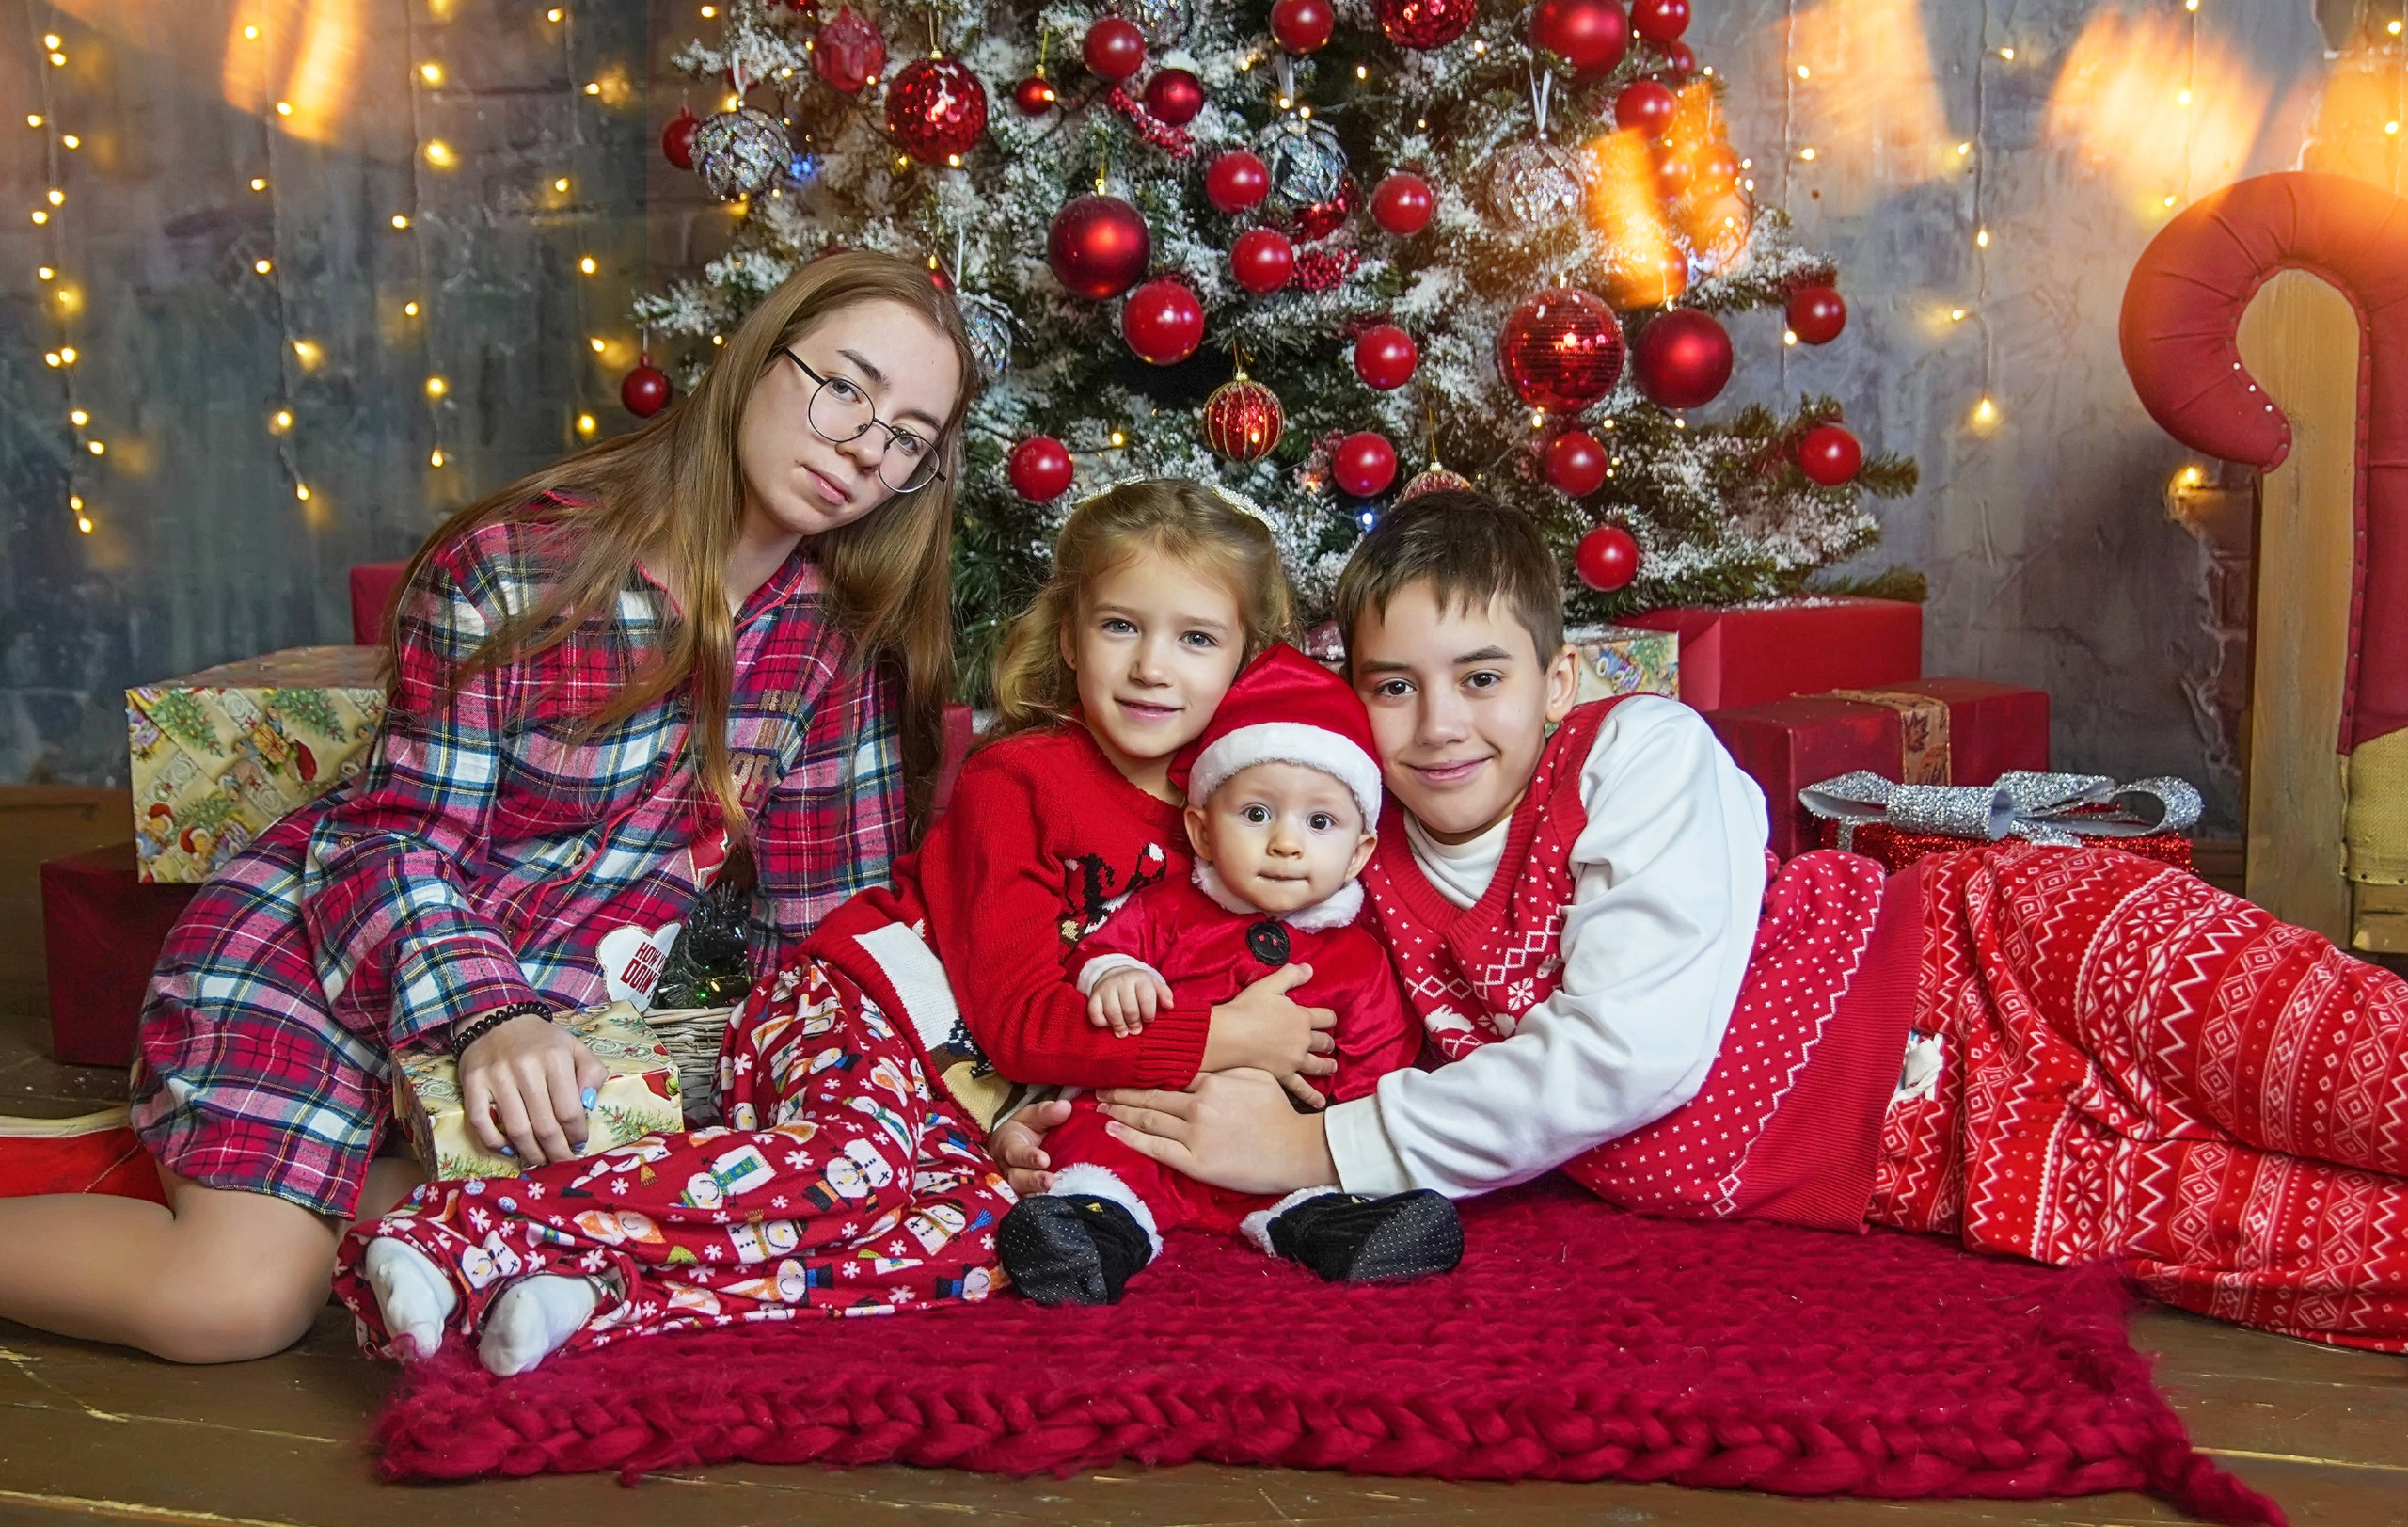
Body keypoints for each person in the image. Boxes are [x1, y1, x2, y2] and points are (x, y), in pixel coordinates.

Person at [1045, 488, 2408, 1354]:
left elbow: (1637, 1047)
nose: (1442, 723)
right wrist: (1084, 1092)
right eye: (1393, 688)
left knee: (2367, 1077)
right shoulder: (1354, 860)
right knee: (2355, 1263)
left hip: (2019, 961)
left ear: (1559, 672)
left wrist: (1324, 1142)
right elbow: (1224, 959)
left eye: (1480, 675)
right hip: (1936, 1160)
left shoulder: (1639, 750)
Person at [0, 251, 975, 1365]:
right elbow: (396, 838)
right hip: (339, 947)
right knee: (233, 1304)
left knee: (583, 1228)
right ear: (757, 359)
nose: (863, 445)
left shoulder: (835, 640)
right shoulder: (519, 568)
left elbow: (823, 925)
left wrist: (926, 1095)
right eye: (844, 386)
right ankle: (234, 1201)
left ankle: (286, 1186)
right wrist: (486, 1015)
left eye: (907, 436)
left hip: (566, 1021)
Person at [343, 479, 1340, 1371]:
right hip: (856, 1004)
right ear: (1070, 633)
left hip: (967, 1088)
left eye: (1197, 638)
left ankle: (596, 1295)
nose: (1152, 668)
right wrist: (1225, 1037)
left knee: (983, 1240)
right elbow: (1021, 1017)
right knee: (848, 1169)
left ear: (1247, 655)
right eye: (1122, 625)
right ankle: (455, 1229)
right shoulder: (1019, 779)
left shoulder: (1240, 811)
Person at [993, 644, 1458, 1307]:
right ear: (1203, 831)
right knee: (1094, 1137)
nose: (1286, 843)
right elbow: (1098, 954)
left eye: (1319, 821)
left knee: (1317, 1186)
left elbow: (1375, 1067)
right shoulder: (1169, 910)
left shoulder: (1358, 960)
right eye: (1257, 813)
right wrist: (1114, 974)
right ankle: (1096, 1226)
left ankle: (1326, 1226)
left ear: (1359, 851)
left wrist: (1331, 1135)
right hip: (1146, 1127)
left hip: (1275, 1154)